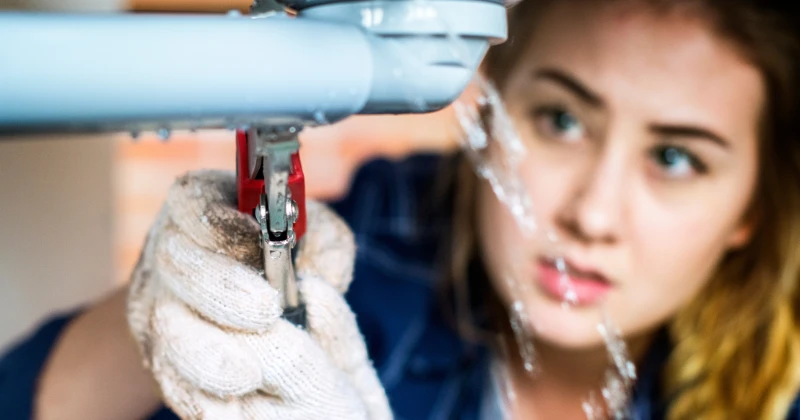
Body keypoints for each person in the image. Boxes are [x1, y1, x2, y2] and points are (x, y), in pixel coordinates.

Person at [3, 0, 800, 418]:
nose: (592, 213)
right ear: (490, 108)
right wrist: (151, 314)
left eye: (675, 158)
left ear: (751, 210)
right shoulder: (385, 240)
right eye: (560, 119)